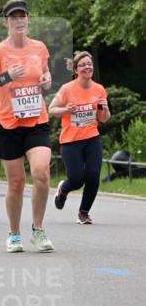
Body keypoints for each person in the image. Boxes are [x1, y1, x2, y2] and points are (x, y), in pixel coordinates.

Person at [0, 0, 54, 252]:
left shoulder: (39, 48)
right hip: (8, 123)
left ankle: (38, 229)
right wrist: (6, 76)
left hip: (36, 120)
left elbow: (44, 73)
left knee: (41, 173)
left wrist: (46, 79)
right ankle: (13, 234)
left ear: (28, 19)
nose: (19, 21)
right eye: (14, 17)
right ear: (6, 22)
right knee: (16, 182)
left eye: (22, 16)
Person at [49, 51, 110, 224]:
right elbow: (52, 110)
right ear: (76, 69)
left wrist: (104, 109)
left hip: (92, 138)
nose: (87, 67)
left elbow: (103, 119)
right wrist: (66, 111)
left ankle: (84, 212)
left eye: (89, 64)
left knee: (92, 175)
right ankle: (63, 190)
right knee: (76, 179)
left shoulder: (99, 89)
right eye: (83, 65)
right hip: (71, 141)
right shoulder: (67, 89)